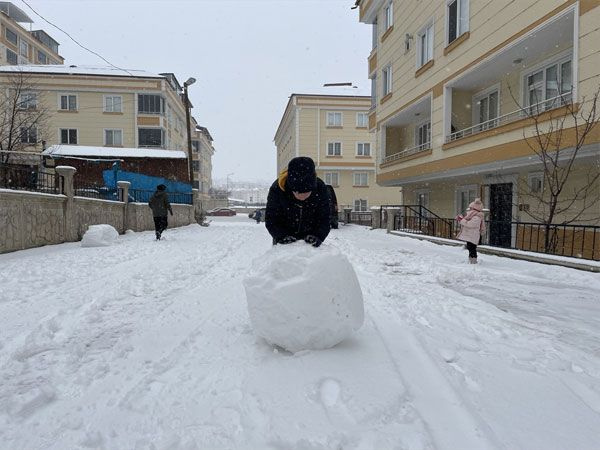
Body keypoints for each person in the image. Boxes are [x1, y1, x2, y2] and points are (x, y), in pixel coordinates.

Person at [265, 156, 330, 247]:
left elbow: (325, 218)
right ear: (290, 187)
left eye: (306, 192)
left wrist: (318, 235)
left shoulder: (321, 189)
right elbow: (271, 219)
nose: (302, 197)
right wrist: (281, 236)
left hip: (310, 239)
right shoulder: (277, 190)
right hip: (284, 239)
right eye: (298, 192)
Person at [456, 198, 486, 264]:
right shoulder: (473, 215)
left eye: (471, 208)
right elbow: (467, 222)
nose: (469, 209)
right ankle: (471, 260)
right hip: (471, 235)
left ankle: (473, 261)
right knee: (470, 247)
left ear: (475, 209)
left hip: (473, 235)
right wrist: (461, 219)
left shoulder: (477, 216)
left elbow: (470, 224)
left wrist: (461, 220)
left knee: (472, 248)